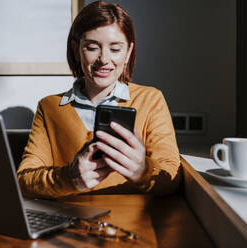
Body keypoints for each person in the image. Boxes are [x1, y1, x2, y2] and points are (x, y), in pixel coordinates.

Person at [17, 1, 181, 199]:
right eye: (92, 47)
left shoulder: (151, 100)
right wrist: (69, 177)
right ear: (76, 49)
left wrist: (143, 172)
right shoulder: (49, 107)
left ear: (128, 52)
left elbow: (172, 177)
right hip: (72, 221)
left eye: (115, 49)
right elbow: (24, 182)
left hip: (135, 222)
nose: (104, 59)